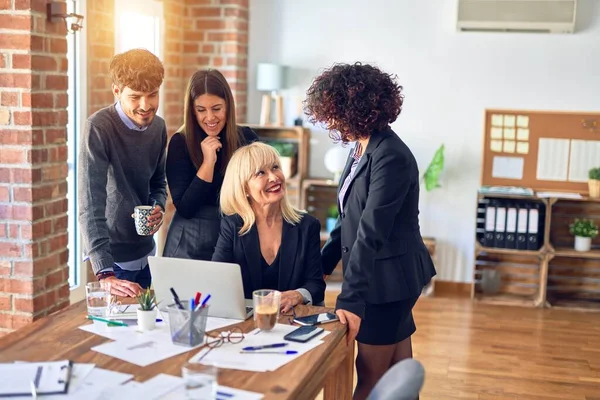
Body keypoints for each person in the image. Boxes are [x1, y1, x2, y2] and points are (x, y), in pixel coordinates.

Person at [304, 62, 436, 400]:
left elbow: (370, 232)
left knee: (370, 380)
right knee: (398, 374)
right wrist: (317, 271)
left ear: (354, 111)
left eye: (334, 115)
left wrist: (351, 297)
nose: (330, 123)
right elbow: (347, 219)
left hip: (388, 282)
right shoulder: (362, 147)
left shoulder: (391, 156)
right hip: (389, 278)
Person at [78, 48, 167, 297]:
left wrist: (158, 205)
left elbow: (159, 180)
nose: (145, 106)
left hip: (148, 254)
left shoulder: (158, 127)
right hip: (113, 264)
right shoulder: (98, 127)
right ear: (117, 91)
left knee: (151, 327)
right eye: (135, 97)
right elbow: (89, 203)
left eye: (152, 95)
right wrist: (104, 272)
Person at [212, 142, 326, 311]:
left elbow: (315, 284)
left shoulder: (307, 225)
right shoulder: (232, 226)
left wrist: (298, 295)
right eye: (260, 173)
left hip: (293, 321)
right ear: (244, 188)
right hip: (247, 323)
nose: (274, 177)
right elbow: (217, 280)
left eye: (275, 167)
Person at [163, 69, 258, 261]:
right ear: (191, 110)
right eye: (201, 110)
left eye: (216, 108)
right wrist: (208, 163)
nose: (210, 117)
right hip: (188, 243)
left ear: (228, 106)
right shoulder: (180, 143)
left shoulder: (247, 138)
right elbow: (186, 208)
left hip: (235, 236)